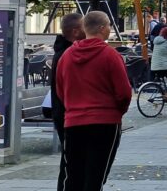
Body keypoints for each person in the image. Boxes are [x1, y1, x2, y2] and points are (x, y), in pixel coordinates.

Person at [56, 11, 132, 190]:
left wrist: (73, 108)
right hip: (105, 122)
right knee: (96, 174)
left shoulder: (66, 56)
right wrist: (116, 112)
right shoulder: (110, 55)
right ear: (102, 28)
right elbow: (124, 93)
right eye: (109, 26)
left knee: (73, 175)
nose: (110, 30)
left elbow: (61, 90)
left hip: (74, 122)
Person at [50, 12, 85, 191]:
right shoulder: (66, 54)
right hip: (66, 115)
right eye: (85, 26)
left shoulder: (65, 51)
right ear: (76, 31)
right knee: (70, 164)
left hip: (68, 114)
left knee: (74, 162)